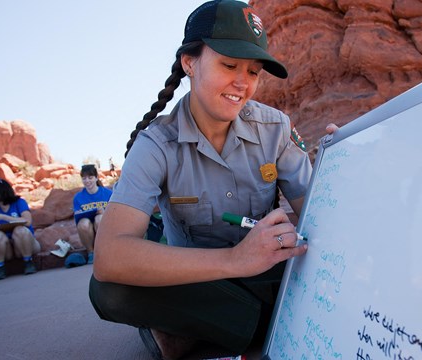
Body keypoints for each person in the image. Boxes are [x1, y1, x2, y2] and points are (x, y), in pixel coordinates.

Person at [89, 1, 317, 358]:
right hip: (195, 281)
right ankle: (274, 325)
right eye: (229, 65)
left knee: (313, 268)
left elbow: (318, 215)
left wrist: (344, 163)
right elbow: (109, 255)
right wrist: (235, 259)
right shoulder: (155, 144)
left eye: (254, 72)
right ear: (189, 63)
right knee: (109, 290)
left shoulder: (276, 129)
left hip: (265, 275)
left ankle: (197, 332)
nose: (242, 83)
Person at [0, 178, 40, 281]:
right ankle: (0, 268)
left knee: (20, 230)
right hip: (9, 251)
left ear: (2, 191)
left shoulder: (19, 202)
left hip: (26, 245)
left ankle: (28, 262)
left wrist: (4, 217)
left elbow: (27, 221)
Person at [73, 164, 112, 264]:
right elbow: (77, 216)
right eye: (84, 178)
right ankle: (91, 253)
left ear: (96, 178)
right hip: (87, 231)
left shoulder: (108, 193)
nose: (87, 181)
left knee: (100, 218)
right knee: (83, 223)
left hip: (104, 228)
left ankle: (104, 251)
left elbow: (115, 213)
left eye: (90, 177)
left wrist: (105, 211)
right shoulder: (78, 197)